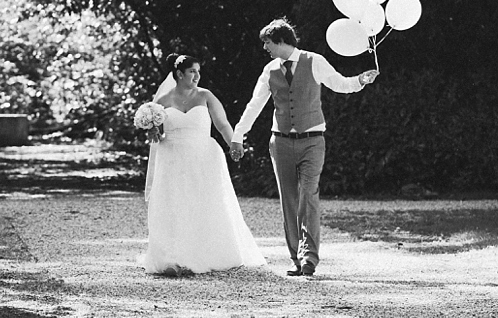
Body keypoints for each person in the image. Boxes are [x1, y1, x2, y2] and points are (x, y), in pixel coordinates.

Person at [229, 18, 378, 278]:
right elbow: (255, 104)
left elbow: (340, 83)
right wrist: (238, 135)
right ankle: (296, 259)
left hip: (313, 140)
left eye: (267, 43)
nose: (266, 49)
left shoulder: (314, 61)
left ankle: (309, 258)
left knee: (308, 195)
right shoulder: (270, 71)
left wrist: (360, 80)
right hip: (281, 142)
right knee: (289, 200)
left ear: (280, 41)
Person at [142, 54, 265, 275]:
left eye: (198, 71)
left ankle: (204, 254)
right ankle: (173, 258)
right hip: (172, 158)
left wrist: (234, 144)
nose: (197, 76)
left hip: (203, 156)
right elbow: (158, 136)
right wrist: (152, 129)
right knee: (175, 205)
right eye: (192, 72)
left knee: (203, 203)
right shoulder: (162, 101)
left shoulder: (205, 96)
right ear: (180, 74)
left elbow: (222, 123)